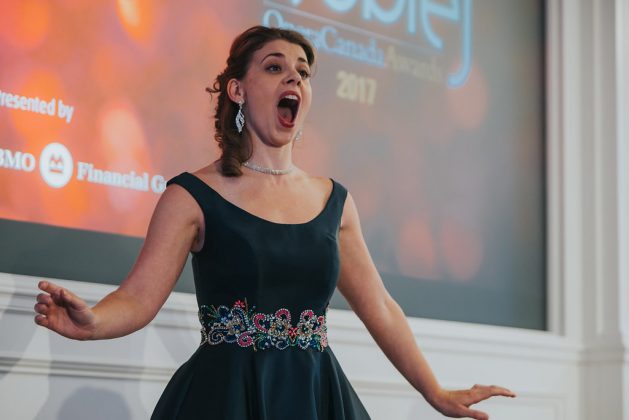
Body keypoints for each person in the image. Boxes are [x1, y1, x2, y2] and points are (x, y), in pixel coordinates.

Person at [34, 25, 515, 419]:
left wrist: (435, 392)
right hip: (225, 399)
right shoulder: (191, 196)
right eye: (275, 67)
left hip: (315, 399)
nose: (294, 80)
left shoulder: (335, 202)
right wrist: (92, 322)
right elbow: (138, 299)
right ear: (238, 90)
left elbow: (383, 309)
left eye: (303, 73)